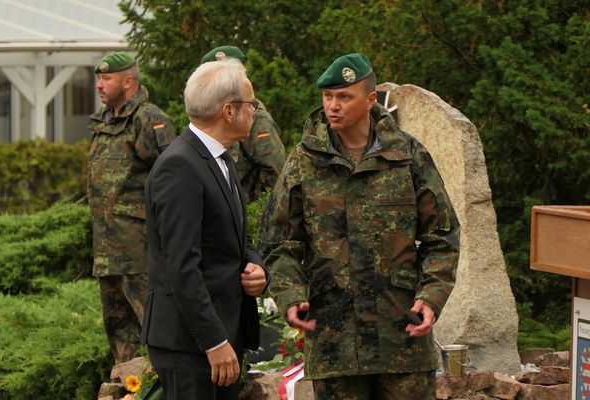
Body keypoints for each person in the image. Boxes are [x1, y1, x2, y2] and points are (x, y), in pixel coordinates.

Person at [259, 53, 460, 400]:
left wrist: (432, 295)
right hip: (336, 340)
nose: (333, 106)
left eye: (344, 97)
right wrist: (291, 295)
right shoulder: (304, 162)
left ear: (370, 100)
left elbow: (441, 235)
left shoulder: (407, 156)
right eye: (327, 96)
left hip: (401, 336)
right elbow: (280, 242)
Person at [141, 58, 269, 399]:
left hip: (220, 335)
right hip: (192, 344)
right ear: (229, 111)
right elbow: (181, 265)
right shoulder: (180, 167)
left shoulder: (219, 159)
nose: (255, 111)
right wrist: (213, 340)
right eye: (251, 104)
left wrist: (255, 265)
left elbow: (235, 237)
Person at [87, 51, 177, 364]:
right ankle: (128, 385)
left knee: (154, 326)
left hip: (140, 249)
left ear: (128, 81)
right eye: (99, 77)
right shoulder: (104, 122)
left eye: (106, 78)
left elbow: (175, 178)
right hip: (108, 248)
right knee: (118, 330)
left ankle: (165, 387)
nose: (99, 85)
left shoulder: (149, 119)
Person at [201, 45, 286, 203]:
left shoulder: (254, 117)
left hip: (242, 213)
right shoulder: (207, 114)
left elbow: (277, 171)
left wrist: (257, 210)